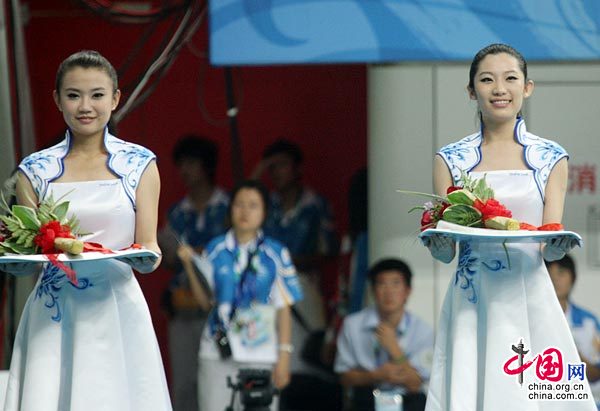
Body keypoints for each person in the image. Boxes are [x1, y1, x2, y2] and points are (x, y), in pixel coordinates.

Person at [423, 43, 596, 410]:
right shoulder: (450, 159)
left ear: (527, 87)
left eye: (510, 79)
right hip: (473, 299)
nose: (499, 88)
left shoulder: (551, 157)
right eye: (487, 80)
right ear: (472, 91)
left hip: (532, 295)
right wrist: (434, 236)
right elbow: (446, 252)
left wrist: (558, 243)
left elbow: (550, 241)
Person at [0, 50, 171, 410]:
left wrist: (146, 258)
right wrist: (14, 261)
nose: (85, 106)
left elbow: (150, 249)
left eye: (97, 95)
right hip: (54, 308)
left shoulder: (140, 164)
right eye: (73, 95)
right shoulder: (35, 170)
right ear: (58, 100)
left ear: (115, 98)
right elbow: (29, 256)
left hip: (117, 305)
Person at [176, 180, 303, 411]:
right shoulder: (215, 248)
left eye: (253, 205)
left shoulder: (275, 252)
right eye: (239, 204)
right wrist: (189, 267)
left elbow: (283, 307)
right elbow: (206, 303)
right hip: (217, 348)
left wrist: (284, 355)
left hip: (260, 350)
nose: (245, 211)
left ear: (264, 212)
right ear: (230, 208)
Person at [251, 139, 338, 398]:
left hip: (304, 288)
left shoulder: (315, 205)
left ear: (297, 168)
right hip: (265, 290)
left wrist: (285, 260)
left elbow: (328, 251)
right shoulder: (264, 206)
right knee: (268, 360)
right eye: (272, 167)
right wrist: (257, 173)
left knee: (303, 362)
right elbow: (236, 215)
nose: (277, 172)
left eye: (283, 165)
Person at [160, 135, 229, 411]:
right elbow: (167, 263)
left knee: (221, 380)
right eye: (181, 164)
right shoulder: (176, 212)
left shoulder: (229, 206)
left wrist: (198, 253)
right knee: (185, 384)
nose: (184, 170)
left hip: (221, 306)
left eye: (191, 163)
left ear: (206, 166)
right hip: (184, 305)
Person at [335, 258, 433, 411]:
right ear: (373, 290)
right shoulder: (352, 325)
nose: (389, 292)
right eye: (382, 284)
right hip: (366, 399)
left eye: (395, 284)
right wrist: (376, 375)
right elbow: (344, 378)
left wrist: (393, 347)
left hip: (409, 401)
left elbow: (415, 384)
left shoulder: (423, 330)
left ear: (407, 291)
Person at [547, 255, 600, 409]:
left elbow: (596, 374)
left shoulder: (588, 322)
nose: (555, 279)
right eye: (549, 275)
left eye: (561, 273)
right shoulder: (531, 320)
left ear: (573, 278)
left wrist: (571, 354)